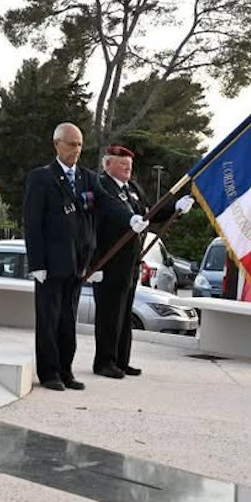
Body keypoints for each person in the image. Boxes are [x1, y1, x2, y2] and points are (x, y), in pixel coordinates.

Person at [91, 145, 193, 378]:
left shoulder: (132, 188)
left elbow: (149, 213)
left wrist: (175, 209)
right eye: (122, 163)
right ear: (108, 164)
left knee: (124, 313)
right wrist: (94, 263)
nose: (128, 167)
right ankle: (104, 362)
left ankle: (121, 360)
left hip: (131, 262)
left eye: (130, 164)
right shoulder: (102, 187)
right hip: (108, 261)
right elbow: (105, 218)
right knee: (109, 314)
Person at [23, 122, 98, 392]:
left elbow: (97, 216)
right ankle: (49, 372)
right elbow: (32, 223)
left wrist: (133, 219)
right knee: (49, 320)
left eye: (80, 145)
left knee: (68, 321)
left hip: (77, 265)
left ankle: (66, 370)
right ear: (57, 144)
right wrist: (37, 263)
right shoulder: (42, 177)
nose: (76, 150)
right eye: (71, 144)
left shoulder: (87, 178)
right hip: (51, 265)